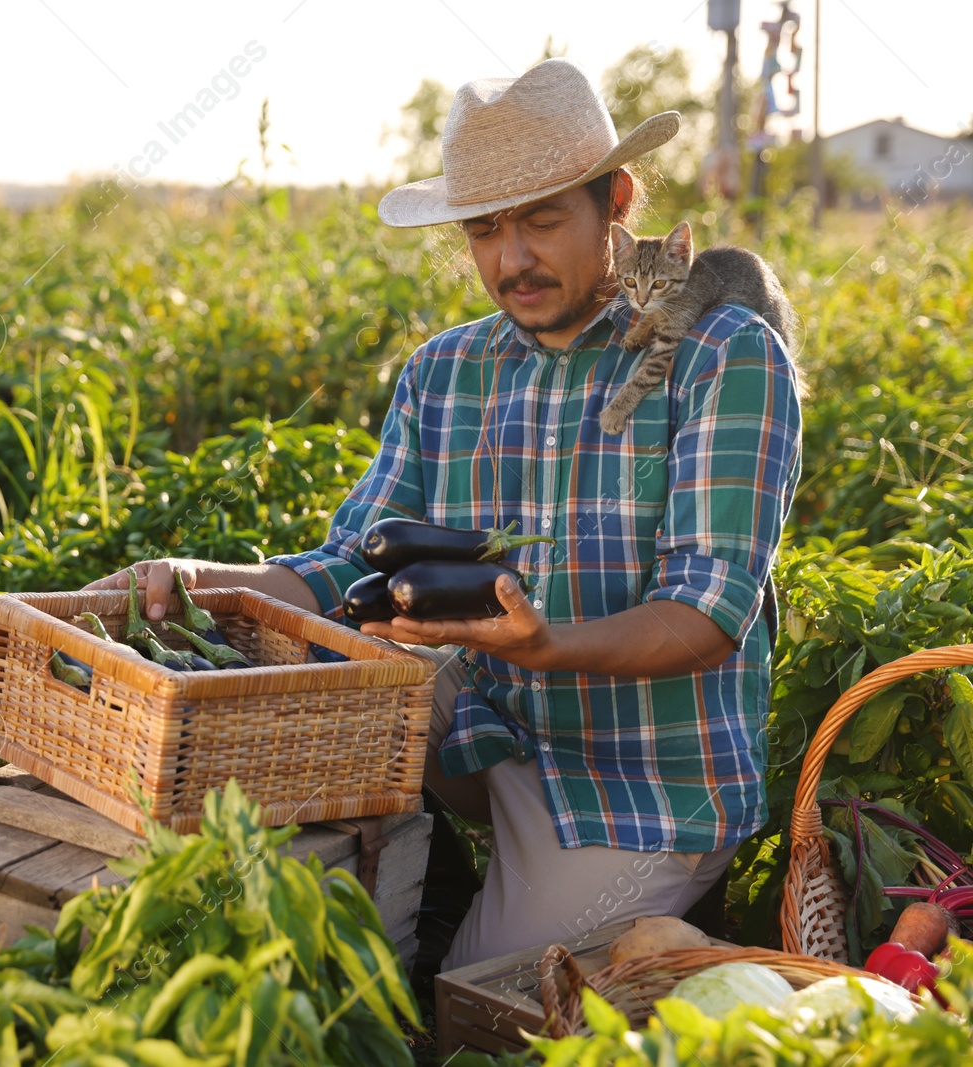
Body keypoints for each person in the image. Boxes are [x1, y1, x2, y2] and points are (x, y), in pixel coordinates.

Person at [83, 57, 802, 969]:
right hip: (483, 721)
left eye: (543, 220)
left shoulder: (724, 357)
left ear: (616, 200)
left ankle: (652, 932)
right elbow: (353, 563)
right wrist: (204, 582)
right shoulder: (447, 370)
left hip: (643, 780)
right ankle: (440, 876)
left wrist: (542, 646)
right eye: (485, 229)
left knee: (476, 1002)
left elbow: (706, 612)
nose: (511, 260)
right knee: (296, 687)